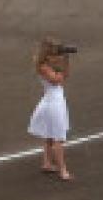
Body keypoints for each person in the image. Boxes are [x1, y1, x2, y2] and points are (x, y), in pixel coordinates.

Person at [29, 39, 73, 180]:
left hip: (51, 101)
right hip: (54, 104)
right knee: (58, 138)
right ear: (47, 54)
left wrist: (66, 60)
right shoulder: (44, 67)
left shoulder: (47, 65)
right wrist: (63, 64)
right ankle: (63, 171)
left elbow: (64, 76)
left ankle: (47, 163)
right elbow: (57, 80)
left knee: (49, 135)